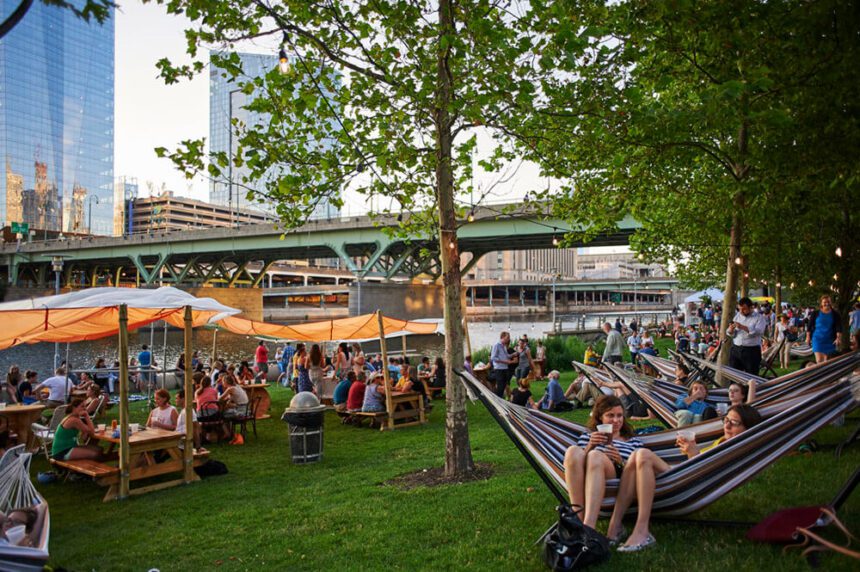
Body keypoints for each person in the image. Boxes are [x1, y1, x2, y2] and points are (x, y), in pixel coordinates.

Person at [608, 404, 762, 552]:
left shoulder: (734, 449)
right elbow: (699, 466)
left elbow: (704, 474)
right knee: (636, 455)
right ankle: (614, 528)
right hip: (683, 474)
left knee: (642, 454)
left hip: (686, 481)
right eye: (726, 420)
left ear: (747, 429)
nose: (727, 426)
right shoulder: (721, 440)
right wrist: (692, 452)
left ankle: (642, 531)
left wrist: (694, 454)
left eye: (734, 423)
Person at [563, 395, 643, 530]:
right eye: (610, 416)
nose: (616, 420)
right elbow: (575, 465)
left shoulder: (633, 441)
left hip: (616, 478)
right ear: (601, 417)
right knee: (572, 451)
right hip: (587, 477)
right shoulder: (589, 437)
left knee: (595, 456)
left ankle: (589, 528)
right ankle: (578, 519)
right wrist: (590, 445)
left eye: (619, 416)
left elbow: (641, 468)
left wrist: (621, 461)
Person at [51, 397, 102, 461]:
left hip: (70, 447)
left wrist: (85, 431)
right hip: (62, 452)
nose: (85, 408)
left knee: (99, 449)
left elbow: (83, 437)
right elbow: (92, 431)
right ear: (74, 408)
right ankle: (84, 470)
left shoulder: (75, 417)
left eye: (85, 406)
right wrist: (87, 416)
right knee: (95, 454)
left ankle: (84, 469)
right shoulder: (73, 420)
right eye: (82, 406)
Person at [727, 297, 767, 375]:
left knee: (751, 374)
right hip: (736, 349)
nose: (741, 311)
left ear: (751, 307)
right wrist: (731, 330)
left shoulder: (759, 318)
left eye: (744, 309)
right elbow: (733, 333)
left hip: (751, 350)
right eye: (739, 309)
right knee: (734, 374)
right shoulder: (737, 316)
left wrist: (742, 327)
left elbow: (759, 332)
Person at [806, 295, 842, 363]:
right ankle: (819, 373)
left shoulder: (835, 314)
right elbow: (809, 326)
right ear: (821, 303)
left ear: (831, 302)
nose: (827, 303)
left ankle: (828, 373)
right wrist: (808, 337)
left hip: (830, 340)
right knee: (819, 360)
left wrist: (838, 338)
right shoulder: (815, 313)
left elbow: (839, 327)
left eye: (828, 302)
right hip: (817, 339)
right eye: (825, 302)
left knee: (827, 361)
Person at [490, 331, 515, 397]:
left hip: (505, 368)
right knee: (500, 386)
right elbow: (493, 358)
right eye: (507, 337)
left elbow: (507, 356)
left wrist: (513, 354)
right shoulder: (496, 345)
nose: (509, 339)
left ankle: (499, 398)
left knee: (504, 385)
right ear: (502, 337)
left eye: (509, 337)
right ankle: (498, 400)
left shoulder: (504, 346)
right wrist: (505, 362)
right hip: (499, 369)